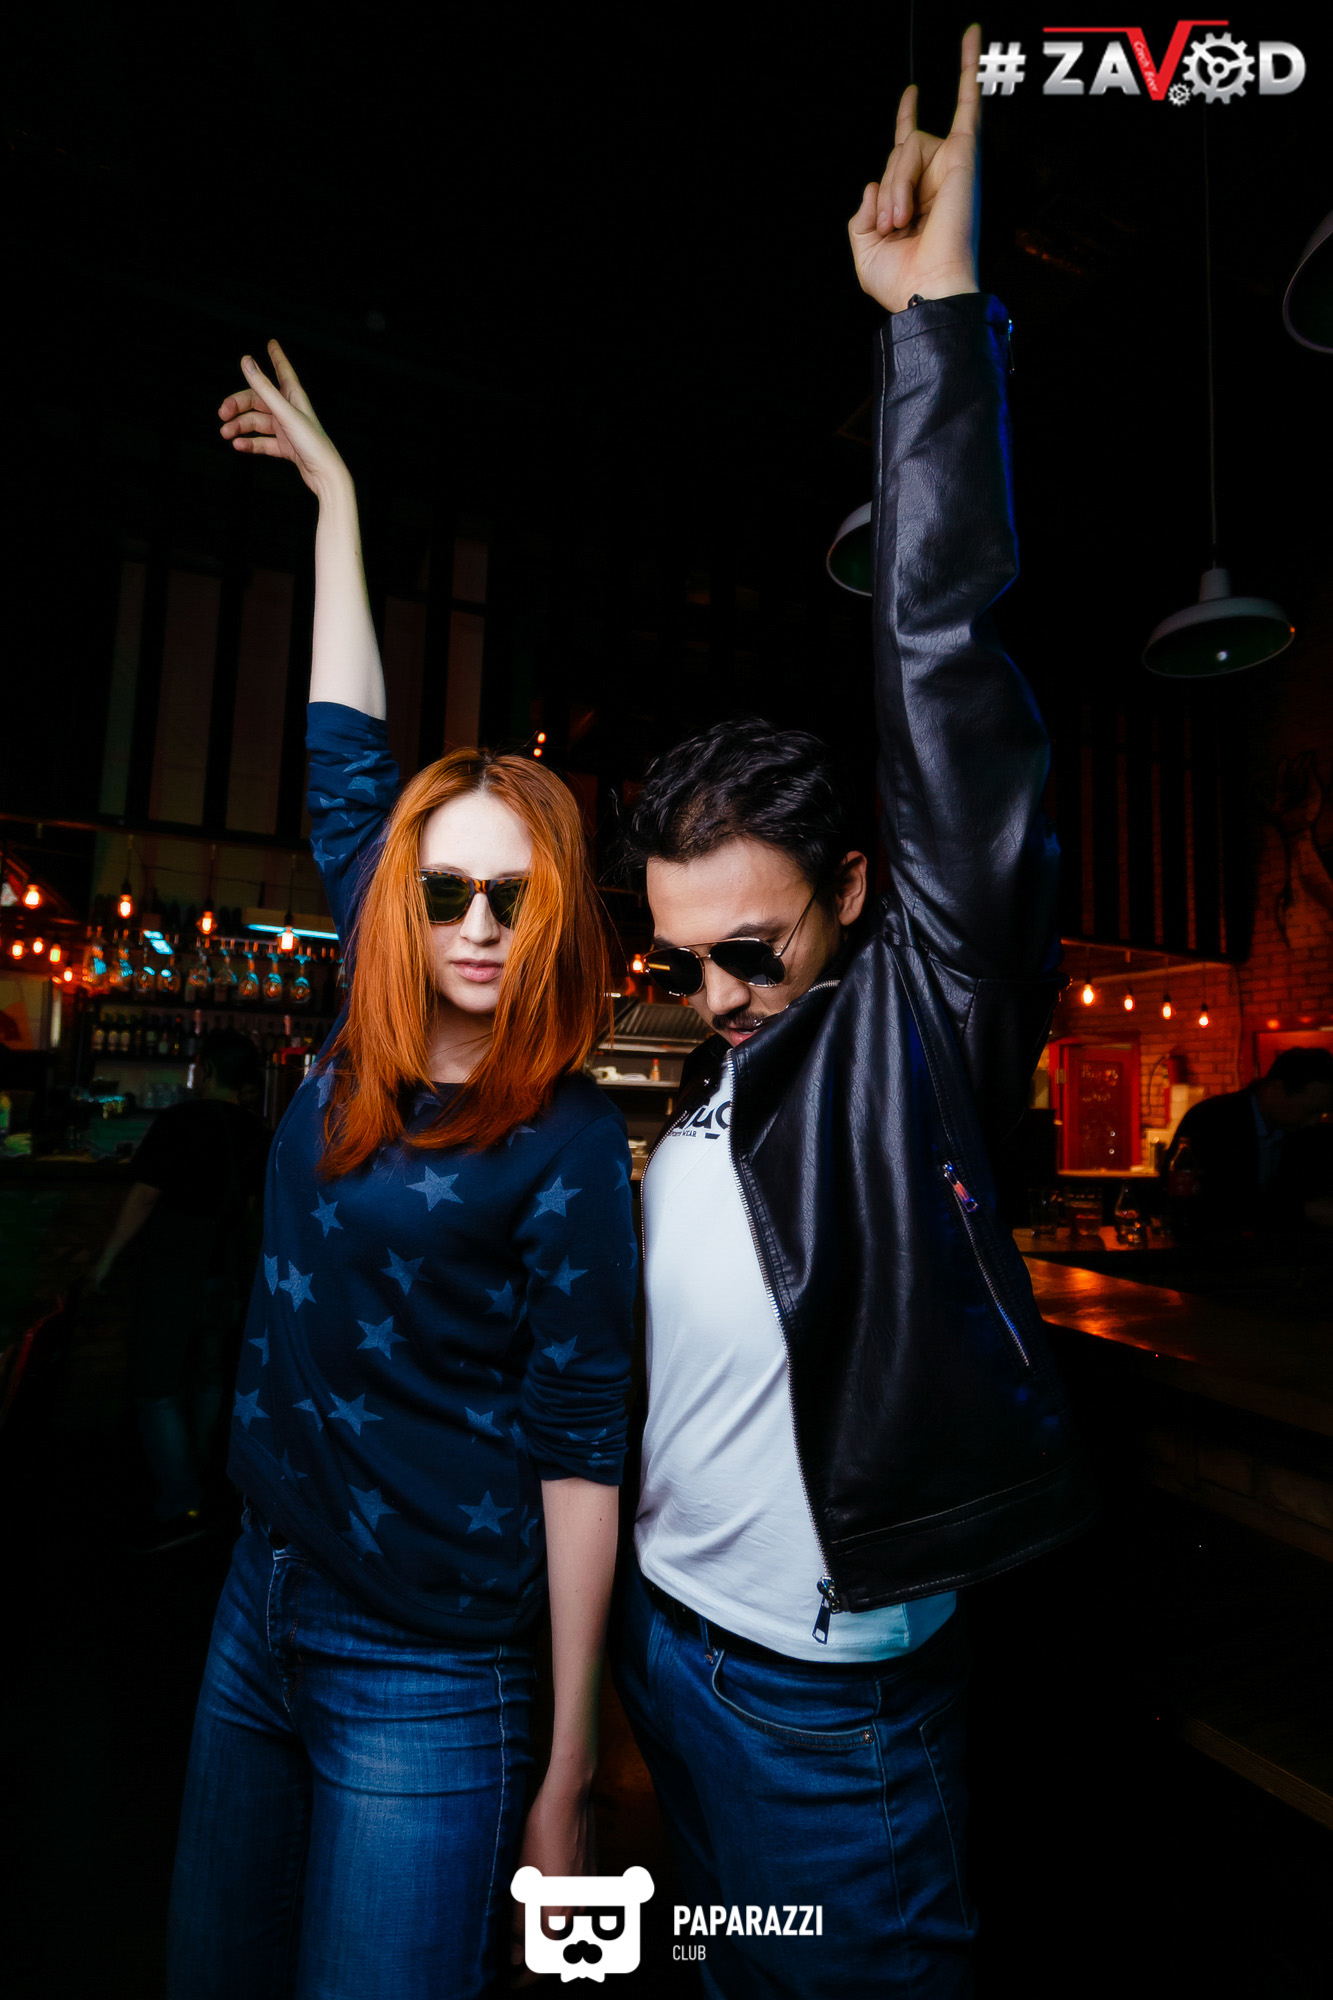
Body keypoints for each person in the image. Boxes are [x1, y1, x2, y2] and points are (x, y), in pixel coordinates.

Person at [612, 32, 1093, 1998]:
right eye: (679, 960)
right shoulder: (715, 1089)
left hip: (829, 1719)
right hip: (673, 1661)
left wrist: (930, 329)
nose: (717, 997)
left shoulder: (915, 1031)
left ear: (863, 896)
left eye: (753, 950)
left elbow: (939, 651)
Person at [165, 346, 637, 2000]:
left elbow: (584, 1451)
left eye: (513, 897)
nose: (477, 926)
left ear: (552, 911)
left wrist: (571, 1767)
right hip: (262, 1595)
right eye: (445, 893)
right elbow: (348, 747)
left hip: (432, 1669)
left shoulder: (567, 1145)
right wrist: (340, 500)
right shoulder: (370, 997)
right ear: (402, 902)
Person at [91, 1028, 270, 1550]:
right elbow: (255, 1212)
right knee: (210, 1377)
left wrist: (105, 1261)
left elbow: (145, 1197)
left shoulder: (179, 1121)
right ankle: (200, 1479)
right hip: (226, 1273)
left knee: (157, 1387)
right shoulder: (259, 1132)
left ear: (206, 1070)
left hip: (174, 1271)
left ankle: (180, 1499)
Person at [1163, 1046, 1333, 1242]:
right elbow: (1208, 1204)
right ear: (1276, 1089)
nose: (1314, 1121)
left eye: (1322, 1112)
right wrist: (1302, 1212)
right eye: (1309, 1111)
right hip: (1213, 1252)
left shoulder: (1309, 1135)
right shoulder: (1211, 1122)